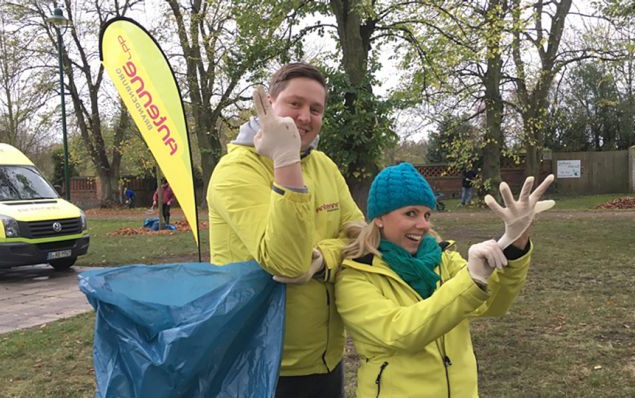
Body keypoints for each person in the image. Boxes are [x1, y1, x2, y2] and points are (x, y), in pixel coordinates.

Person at [206, 63, 364, 397]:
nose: (306, 116)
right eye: (295, 104)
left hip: (325, 358)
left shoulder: (324, 166)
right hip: (260, 363)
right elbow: (288, 263)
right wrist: (285, 159)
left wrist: (323, 260)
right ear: (269, 104)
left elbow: (361, 237)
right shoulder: (235, 170)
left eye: (316, 109)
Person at [335, 163, 554, 397]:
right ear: (379, 218)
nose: (423, 225)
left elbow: (492, 304)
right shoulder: (356, 276)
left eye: (427, 214)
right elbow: (400, 332)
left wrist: (516, 244)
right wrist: (471, 280)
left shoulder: (443, 259)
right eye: (411, 213)